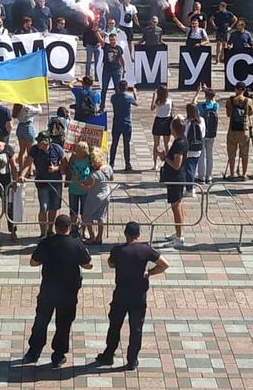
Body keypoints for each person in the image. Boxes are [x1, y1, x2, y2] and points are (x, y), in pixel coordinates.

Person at [22, 214, 93, 367]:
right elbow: (88, 264)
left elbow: (33, 262)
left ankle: (33, 352)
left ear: (55, 227)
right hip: (68, 291)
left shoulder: (46, 243)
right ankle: (58, 356)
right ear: (69, 227)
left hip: (48, 289)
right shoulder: (76, 244)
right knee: (64, 324)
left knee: (41, 320)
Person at [95, 222, 168, 369]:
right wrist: (149, 273)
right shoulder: (146, 250)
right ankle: (132, 360)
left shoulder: (117, 250)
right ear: (138, 234)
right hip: (138, 296)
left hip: (121, 295)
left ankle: (109, 355)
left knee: (115, 325)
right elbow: (164, 264)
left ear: (125, 233)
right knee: (136, 328)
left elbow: (110, 264)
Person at [160, 115, 189, 247]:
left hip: (175, 178)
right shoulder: (182, 140)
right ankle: (179, 232)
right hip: (176, 178)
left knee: (176, 206)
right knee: (179, 204)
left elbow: (176, 164)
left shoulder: (179, 144)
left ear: (174, 129)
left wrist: (165, 157)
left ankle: (178, 237)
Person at [30, 133, 66, 237]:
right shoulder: (34, 149)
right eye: (38, 142)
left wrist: (56, 168)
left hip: (56, 182)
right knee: (43, 207)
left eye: (41, 143)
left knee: (54, 208)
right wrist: (22, 175)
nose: (39, 144)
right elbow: (28, 162)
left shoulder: (57, 148)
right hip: (42, 182)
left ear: (47, 143)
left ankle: (50, 230)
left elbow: (65, 162)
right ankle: (43, 232)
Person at [81, 156, 113, 244]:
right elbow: (112, 179)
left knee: (87, 217)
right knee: (101, 217)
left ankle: (92, 237)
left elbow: (87, 187)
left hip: (95, 197)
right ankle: (99, 237)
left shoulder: (93, 175)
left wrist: (77, 182)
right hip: (106, 195)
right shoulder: (109, 168)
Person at [109, 81, 137, 171]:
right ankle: (127, 164)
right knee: (126, 144)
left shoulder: (113, 97)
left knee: (114, 144)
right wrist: (135, 93)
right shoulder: (128, 97)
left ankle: (111, 163)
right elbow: (136, 103)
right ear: (126, 87)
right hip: (126, 124)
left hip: (116, 123)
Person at [195, 88, 220, 183]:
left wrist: (198, 92)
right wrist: (207, 90)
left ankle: (201, 177)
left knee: (201, 155)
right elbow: (213, 99)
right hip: (212, 133)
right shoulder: (216, 106)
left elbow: (193, 102)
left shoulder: (201, 105)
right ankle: (209, 176)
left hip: (203, 132)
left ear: (205, 96)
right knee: (210, 155)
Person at [66, 140, 94, 223]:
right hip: (73, 189)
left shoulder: (89, 159)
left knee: (84, 212)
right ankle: (73, 228)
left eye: (78, 150)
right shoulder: (73, 158)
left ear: (83, 151)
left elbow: (94, 172)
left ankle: (83, 230)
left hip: (85, 190)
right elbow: (68, 168)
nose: (76, 151)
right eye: (76, 149)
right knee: (73, 211)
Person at [98, 32, 126, 107]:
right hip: (107, 70)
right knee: (104, 89)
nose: (112, 41)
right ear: (109, 40)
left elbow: (122, 59)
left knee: (117, 89)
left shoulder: (119, 48)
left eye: (114, 40)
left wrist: (124, 69)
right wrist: (96, 32)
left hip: (117, 70)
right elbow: (100, 40)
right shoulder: (106, 46)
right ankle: (102, 105)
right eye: (111, 40)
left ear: (116, 40)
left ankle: (118, 104)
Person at [149, 85, 173, 170]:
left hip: (158, 121)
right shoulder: (170, 101)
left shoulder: (157, 102)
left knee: (156, 144)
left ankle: (155, 163)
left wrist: (153, 97)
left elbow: (152, 108)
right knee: (167, 144)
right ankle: (168, 162)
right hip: (167, 121)